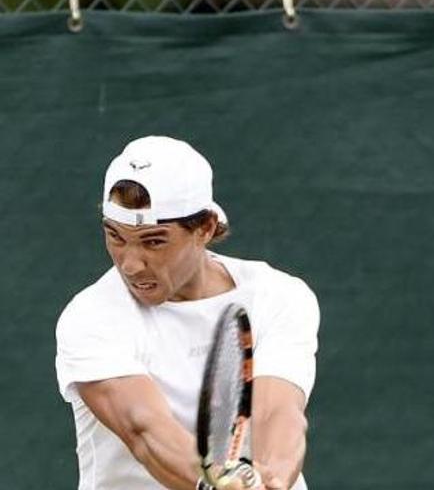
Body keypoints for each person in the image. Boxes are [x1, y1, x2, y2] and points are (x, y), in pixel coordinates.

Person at [55, 136, 319, 490]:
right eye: (115, 237)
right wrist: (217, 484)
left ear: (205, 228)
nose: (131, 265)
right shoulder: (91, 317)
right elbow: (143, 429)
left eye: (154, 241)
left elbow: (279, 413)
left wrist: (271, 478)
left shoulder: (278, 295)